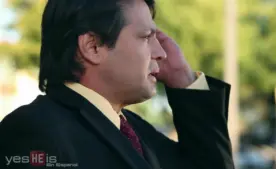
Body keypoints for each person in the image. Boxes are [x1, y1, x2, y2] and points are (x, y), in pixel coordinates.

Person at [0, 0, 234, 168]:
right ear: (92, 47)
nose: (161, 52)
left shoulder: (135, 129)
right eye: (145, 37)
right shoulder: (34, 131)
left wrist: (183, 79)